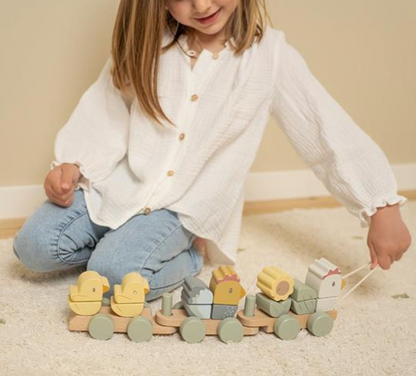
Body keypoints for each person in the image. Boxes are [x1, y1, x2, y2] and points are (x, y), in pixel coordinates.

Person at [13, 0, 411, 301]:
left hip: (184, 206)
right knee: (32, 247)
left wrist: (379, 204)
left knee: (114, 273)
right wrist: (72, 162)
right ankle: (124, 242)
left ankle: (190, 256)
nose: (202, 5)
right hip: (119, 184)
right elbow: (107, 109)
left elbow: (324, 128)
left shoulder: (270, 57)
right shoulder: (149, 44)